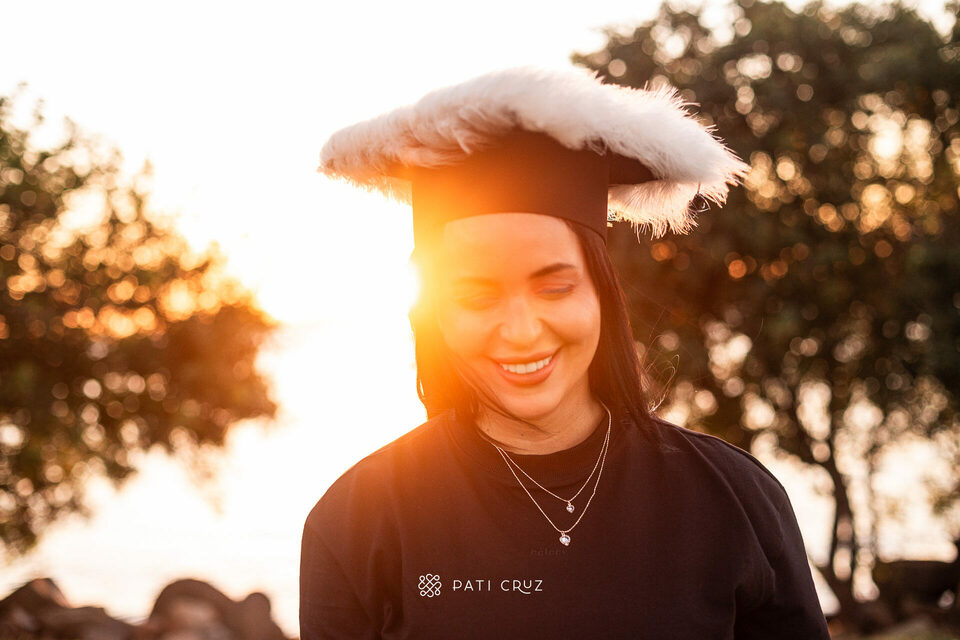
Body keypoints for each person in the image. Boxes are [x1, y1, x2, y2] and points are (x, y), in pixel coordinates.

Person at [301, 65, 831, 639]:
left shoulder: (734, 499)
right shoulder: (357, 520)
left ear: (601, 292)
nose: (523, 331)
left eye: (555, 287)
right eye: (477, 296)